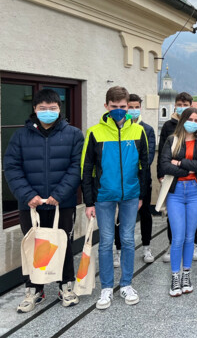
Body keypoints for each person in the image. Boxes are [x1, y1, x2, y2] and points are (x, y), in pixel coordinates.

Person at [4, 89, 84, 313]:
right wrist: (28, 195)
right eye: (42, 108)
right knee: (34, 247)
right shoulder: (20, 136)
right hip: (30, 205)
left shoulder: (74, 134)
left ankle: (65, 286)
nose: (47, 112)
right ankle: (34, 290)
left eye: (52, 108)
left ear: (59, 109)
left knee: (63, 244)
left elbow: (76, 167)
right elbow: (12, 167)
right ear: (34, 109)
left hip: (62, 203)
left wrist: (59, 194)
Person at [82, 86, 149, 310]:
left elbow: (144, 167)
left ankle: (127, 284)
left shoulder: (138, 132)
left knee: (128, 240)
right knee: (106, 242)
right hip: (104, 196)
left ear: (128, 107)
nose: (119, 111)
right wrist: (89, 202)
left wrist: (142, 194)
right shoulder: (94, 132)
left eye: (123, 107)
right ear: (106, 107)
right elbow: (87, 169)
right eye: (114, 107)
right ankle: (106, 288)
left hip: (130, 195)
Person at [159, 107, 197, 297]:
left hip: (195, 192)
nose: (193, 122)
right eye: (190, 118)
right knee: (178, 237)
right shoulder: (172, 140)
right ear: (183, 120)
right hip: (175, 193)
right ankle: (175, 276)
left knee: (190, 236)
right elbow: (164, 164)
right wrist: (187, 170)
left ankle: (186, 275)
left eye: (196, 119)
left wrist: (179, 163)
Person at [157, 92, 197, 263]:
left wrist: (180, 163)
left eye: (185, 104)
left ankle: (194, 243)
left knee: (192, 218)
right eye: (179, 103)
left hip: (194, 183)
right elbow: (163, 154)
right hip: (172, 179)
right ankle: (172, 244)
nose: (181, 106)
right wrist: (160, 175)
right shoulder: (169, 126)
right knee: (172, 216)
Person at [114, 94, 156, 266]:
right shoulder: (117, 128)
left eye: (135, 106)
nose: (132, 110)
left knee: (145, 213)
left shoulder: (147, 129)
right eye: (129, 107)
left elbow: (148, 157)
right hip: (120, 182)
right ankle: (118, 250)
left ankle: (146, 247)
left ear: (140, 107)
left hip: (141, 181)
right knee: (120, 217)